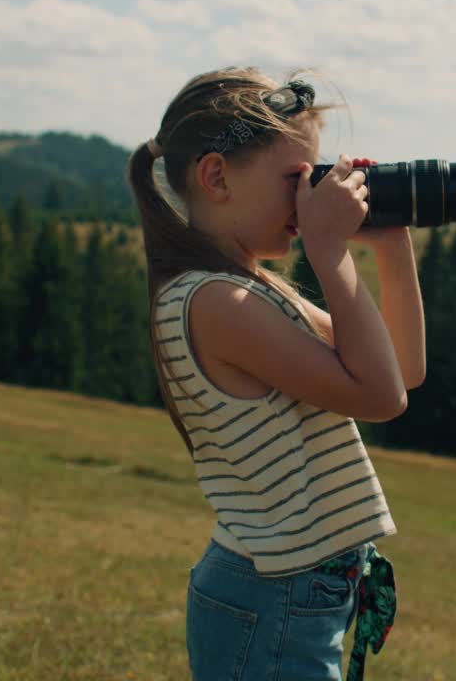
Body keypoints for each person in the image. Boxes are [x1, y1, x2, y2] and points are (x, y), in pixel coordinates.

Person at [128, 66, 425, 681]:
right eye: (295, 180)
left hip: (293, 586)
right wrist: (330, 250)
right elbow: (382, 396)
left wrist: (389, 243)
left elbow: (401, 368)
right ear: (216, 177)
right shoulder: (213, 303)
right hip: (275, 592)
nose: (307, 199)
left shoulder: (248, 289)